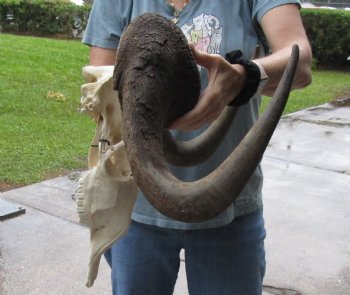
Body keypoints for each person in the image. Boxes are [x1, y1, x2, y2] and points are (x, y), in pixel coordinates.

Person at [82, 1, 312, 294]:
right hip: (135, 210)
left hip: (230, 213)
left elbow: (300, 61)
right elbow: (102, 87)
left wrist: (244, 77)